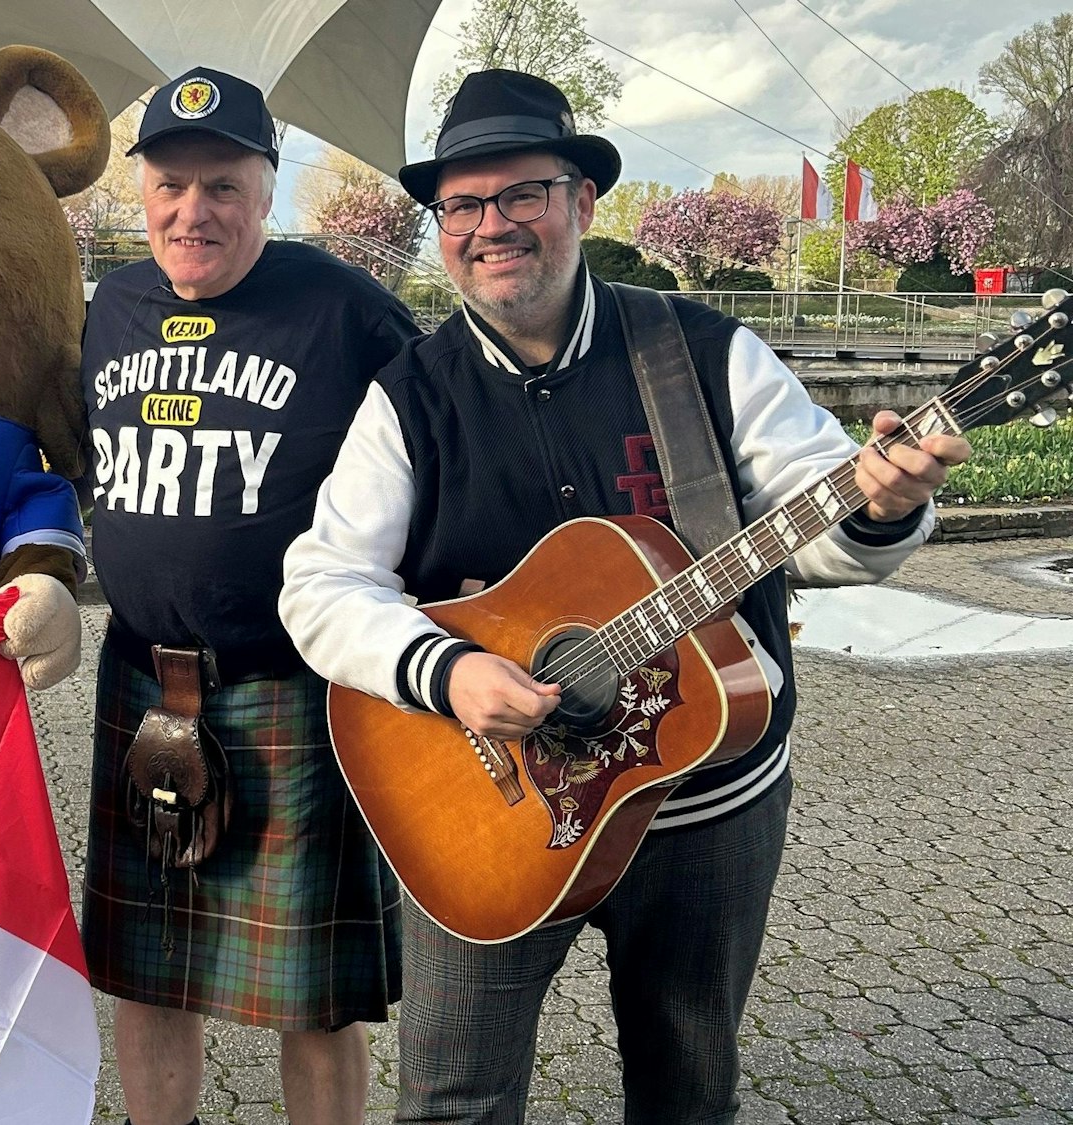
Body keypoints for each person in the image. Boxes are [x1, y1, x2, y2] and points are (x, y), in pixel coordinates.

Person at [278, 69, 971, 1124]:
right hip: (484, 809)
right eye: (460, 204)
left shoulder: (702, 352)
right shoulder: (410, 395)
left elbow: (811, 525)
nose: (489, 225)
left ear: (580, 201)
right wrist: (446, 669)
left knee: (684, 1087)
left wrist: (877, 509)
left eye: (522, 194)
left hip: (705, 803)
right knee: (450, 1097)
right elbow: (319, 582)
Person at [79, 66, 420, 1125]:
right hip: (139, 681)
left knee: (311, 1004)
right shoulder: (110, 307)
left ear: (268, 187)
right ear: (140, 188)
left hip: (294, 690)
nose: (192, 212)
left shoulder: (347, 311)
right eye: (169, 185)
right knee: (143, 974)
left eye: (221, 185)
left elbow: (443, 464)